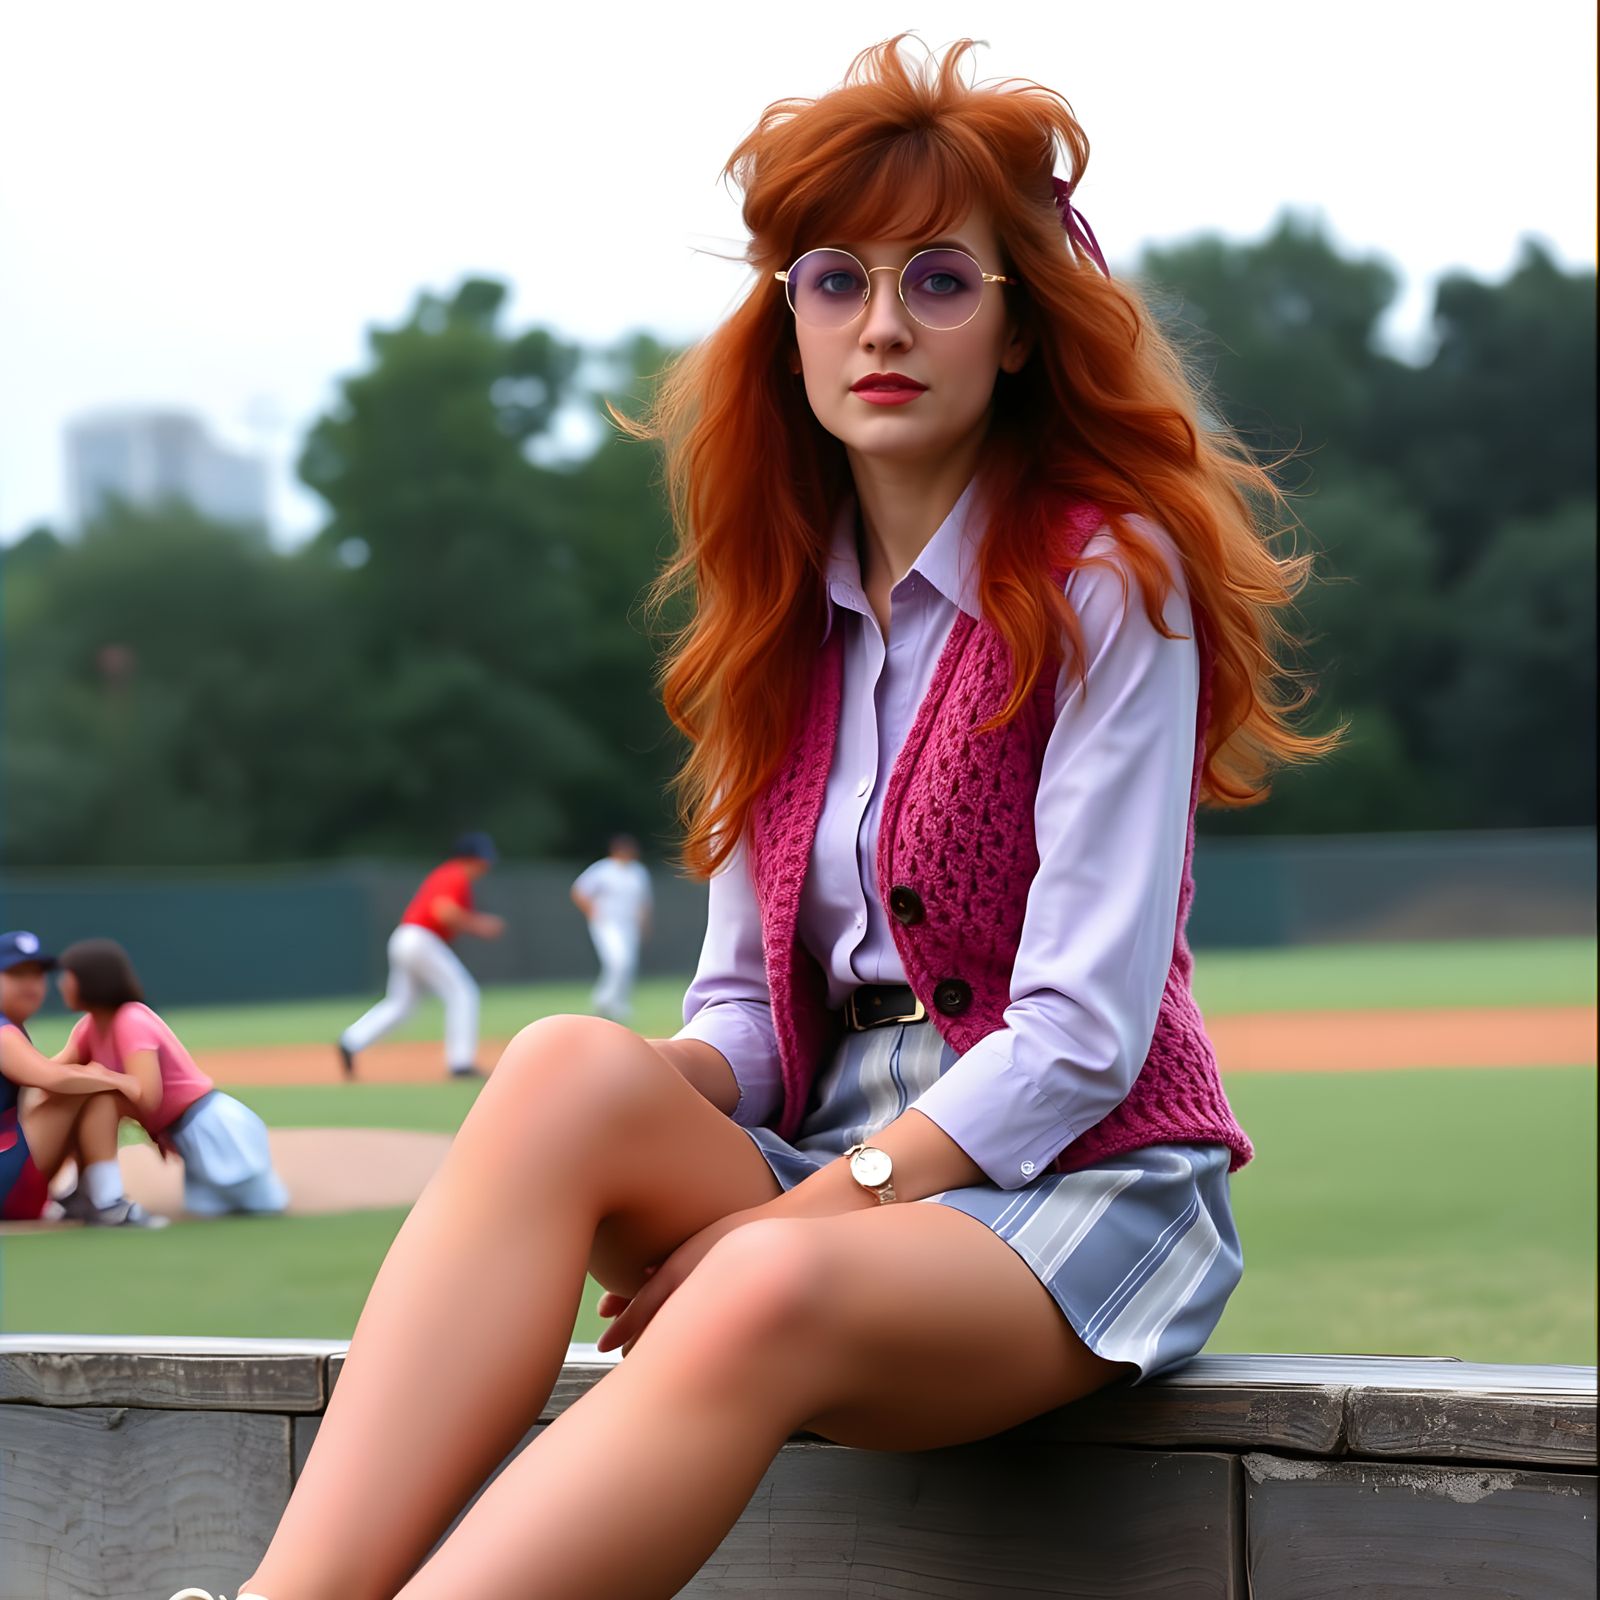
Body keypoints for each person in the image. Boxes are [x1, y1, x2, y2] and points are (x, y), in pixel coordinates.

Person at [217, 37, 1331, 1600]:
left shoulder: (1105, 578)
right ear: (788, 320)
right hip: (828, 1162)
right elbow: (744, 1014)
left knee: (757, 1286)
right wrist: (616, 1100)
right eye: (835, 280)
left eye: (940, 280)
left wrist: (805, 1212)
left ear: (1019, 327)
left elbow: (1085, 1035)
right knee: (556, 1065)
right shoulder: (778, 616)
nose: (883, 324)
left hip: (1071, 1197)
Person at [55, 938, 291, 1219]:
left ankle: (107, 1201)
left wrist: (106, 1078)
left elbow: (148, 1097)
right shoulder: (89, 1027)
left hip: (212, 1128)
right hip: (183, 1136)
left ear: (91, 980)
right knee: (207, 1209)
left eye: (68, 977)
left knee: (264, 1206)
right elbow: (51, 1072)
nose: (62, 985)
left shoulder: (130, 1019)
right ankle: (92, 1193)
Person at [0, 929, 164, 1228]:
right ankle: (105, 1201)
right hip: (6, 1186)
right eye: (16, 974)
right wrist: (115, 1079)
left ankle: (83, 1194)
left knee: (82, 1082)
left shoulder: (11, 1027)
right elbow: (50, 1078)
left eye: (37, 975)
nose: (31, 984)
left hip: (9, 1175)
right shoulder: (2, 1032)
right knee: (87, 1088)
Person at [337, 831, 506, 1081]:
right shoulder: (455, 874)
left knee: (401, 1004)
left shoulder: (447, 874)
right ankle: (460, 1062)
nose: (487, 865)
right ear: (474, 858)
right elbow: (443, 911)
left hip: (406, 938)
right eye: (484, 859)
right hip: (421, 939)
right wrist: (481, 925)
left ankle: (351, 1040)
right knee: (463, 993)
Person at [570, 834, 654, 1022]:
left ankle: (617, 1003)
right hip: (608, 923)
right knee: (618, 961)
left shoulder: (638, 871)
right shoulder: (603, 869)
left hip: (629, 924)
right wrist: (592, 912)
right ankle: (604, 1000)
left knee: (629, 964)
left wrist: (644, 924)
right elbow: (578, 890)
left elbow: (644, 902)